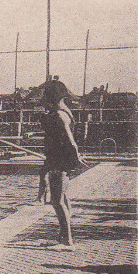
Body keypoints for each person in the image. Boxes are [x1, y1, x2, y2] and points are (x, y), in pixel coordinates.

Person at [40, 79, 85, 248]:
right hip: (61, 160)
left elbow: (70, 139)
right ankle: (62, 237)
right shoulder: (64, 112)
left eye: (46, 94)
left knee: (57, 201)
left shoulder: (59, 115)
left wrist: (76, 156)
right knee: (63, 199)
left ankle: (67, 241)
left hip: (60, 161)